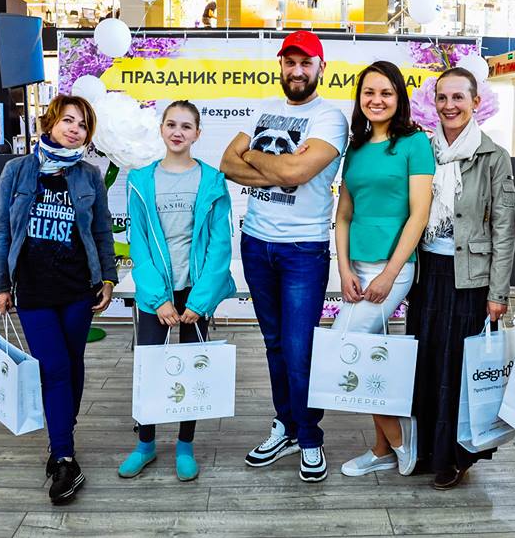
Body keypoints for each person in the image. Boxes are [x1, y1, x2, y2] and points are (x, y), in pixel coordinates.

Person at [220, 30, 349, 482]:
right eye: (290, 62)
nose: (297, 70)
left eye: (305, 63)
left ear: (320, 68)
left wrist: (256, 158)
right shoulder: (262, 109)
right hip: (256, 243)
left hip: (302, 251)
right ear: (280, 65)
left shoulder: (330, 118)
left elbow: (295, 172)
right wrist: (281, 170)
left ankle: (310, 435)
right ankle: (286, 425)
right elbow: (227, 163)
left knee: (299, 348)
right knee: (274, 343)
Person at [0, 94, 118, 504]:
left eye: (82, 125)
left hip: (78, 289)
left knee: (72, 364)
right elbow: (1, 231)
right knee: (55, 367)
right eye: (68, 120)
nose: (75, 129)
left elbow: (101, 231)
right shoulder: (16, 171)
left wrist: (108, 279)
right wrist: (0, 285)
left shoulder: (89, 176)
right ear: (50, 123)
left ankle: (62, 439)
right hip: (34, 291)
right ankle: (64, 457)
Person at [406, 67, 515, 490]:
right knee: (426, 362)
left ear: (475, 102)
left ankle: (456, 456)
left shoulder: (493, 156)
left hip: (470, 278)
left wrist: (498, 292)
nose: (449, 106)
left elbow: (504, 228)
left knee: (458, 367)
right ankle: (426, 449)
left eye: (458, 97)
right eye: (442, 97)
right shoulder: (422, 150)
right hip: (426, 273)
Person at [121, 100, 235, 482]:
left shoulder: (212, 181)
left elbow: (220, 245)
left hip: (195, 294)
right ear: (161, 129)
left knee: (192, 371)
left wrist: (200, 301)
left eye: (186, 126)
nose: (178, 132)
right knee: (149, 369)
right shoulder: (141, 181)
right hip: (157, 295)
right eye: (171, 124)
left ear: (197, 134)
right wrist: (158, 299)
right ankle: (146, 445)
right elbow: (139, 244)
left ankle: (185, 445)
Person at [333, 61, 434, 478]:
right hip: (356, 267)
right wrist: (344, 270)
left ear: (399, 98)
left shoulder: (415, 143)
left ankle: (399, 437)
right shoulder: (355, 148)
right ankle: (382, 448)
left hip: (394, 268)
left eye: (386, 93)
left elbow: (419, 215)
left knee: (346, 348)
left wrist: (389, 275)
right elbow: (343, 215)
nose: (377, 100)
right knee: (369, 355)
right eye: (369, 92)